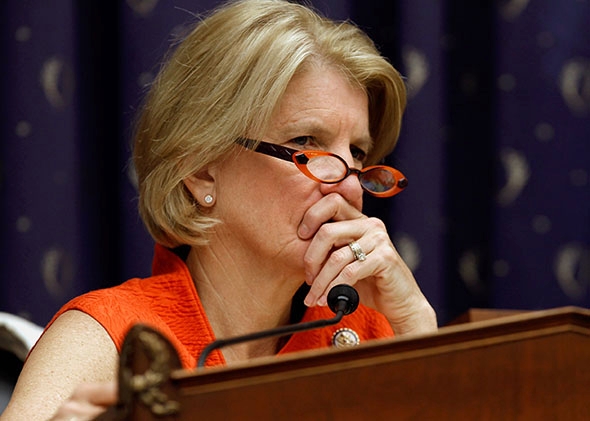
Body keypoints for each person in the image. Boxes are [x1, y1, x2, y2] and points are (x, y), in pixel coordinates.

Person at [1, 0, 437, 419]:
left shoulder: (375, 336)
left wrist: (416, 325)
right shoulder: (105, 341)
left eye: (358, 153)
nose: (346, 181)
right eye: (306, 142)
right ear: (201, 170)